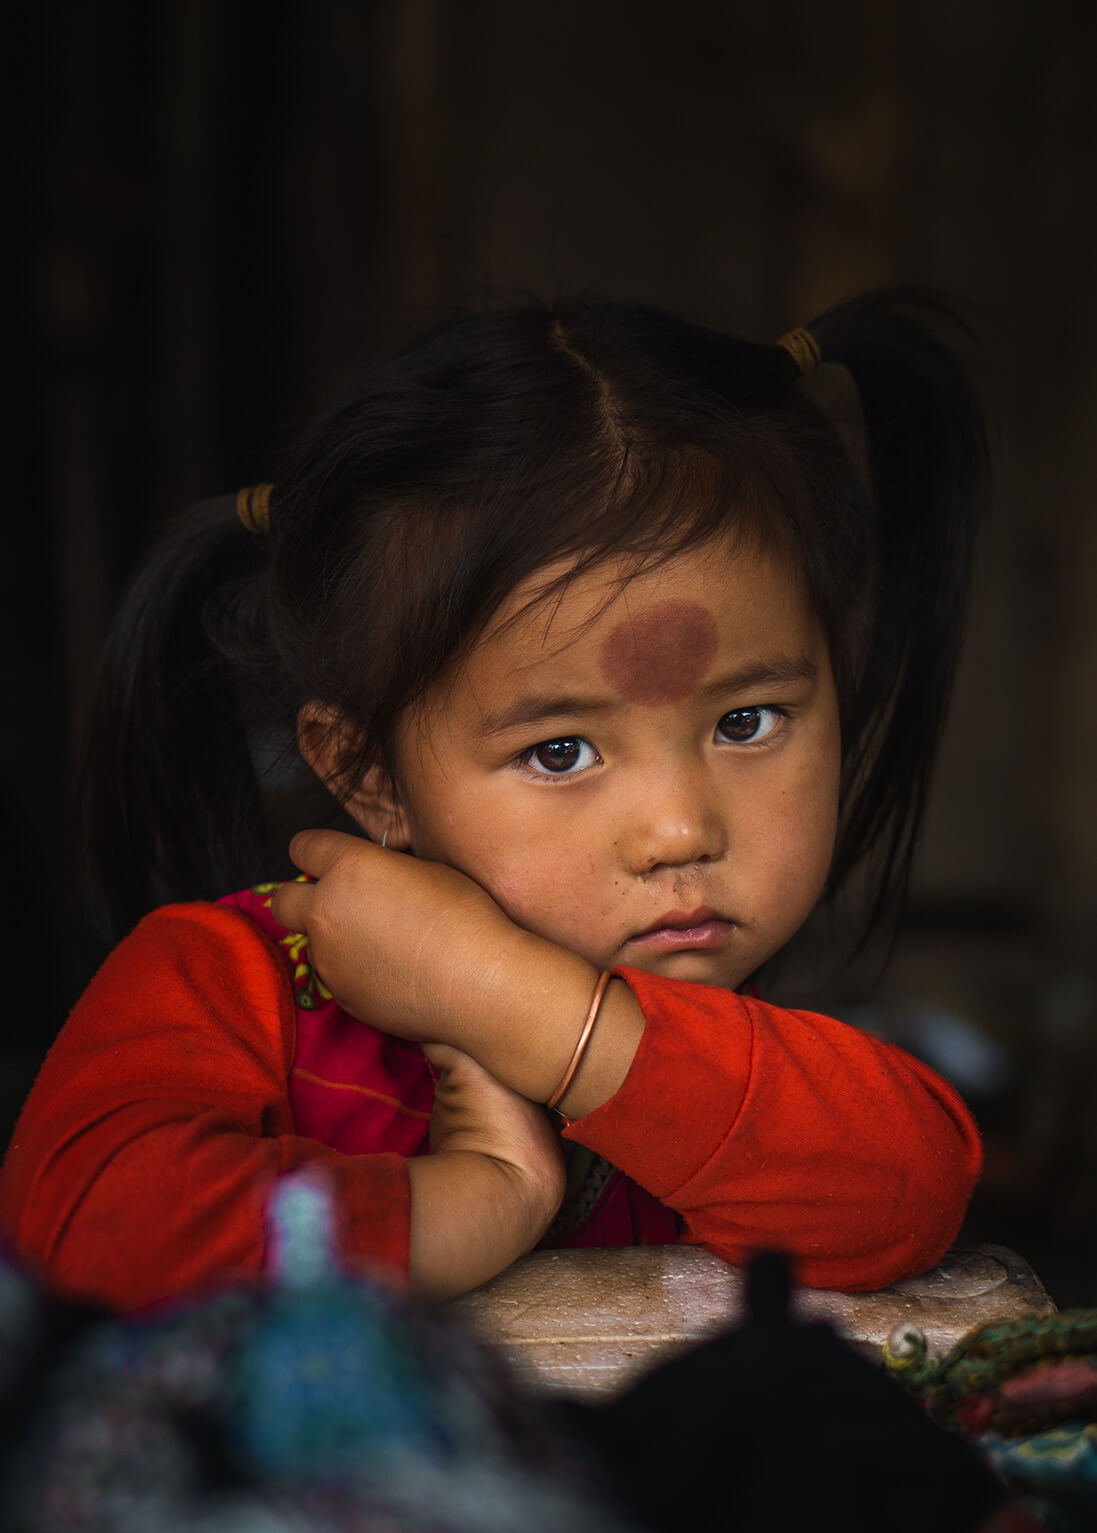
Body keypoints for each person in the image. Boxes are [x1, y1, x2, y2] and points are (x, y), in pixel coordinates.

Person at [0, 293, 987, 1311]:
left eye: (746, 722)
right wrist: (462, 1203)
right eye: (558, 751)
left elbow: (903, 1191)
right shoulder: (236, 982)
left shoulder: (740, 1057)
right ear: (367, 773)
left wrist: (512, 1003)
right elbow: (85, 1237)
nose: (679, 829)